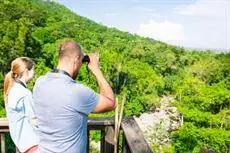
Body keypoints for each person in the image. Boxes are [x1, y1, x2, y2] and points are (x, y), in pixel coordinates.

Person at [33, 40, 116, 153]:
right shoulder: (78, 92)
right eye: (81, 61)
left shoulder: (39, 83)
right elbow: (111, 102)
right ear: (77, 59)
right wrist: (96, 70)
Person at [4, 57, 39, 153]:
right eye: (33, 69)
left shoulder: (12, 90)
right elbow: (34, 120)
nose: (34, 72)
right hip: (33, 144)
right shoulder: (24, 93)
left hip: (23, 145)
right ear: (27, 71)